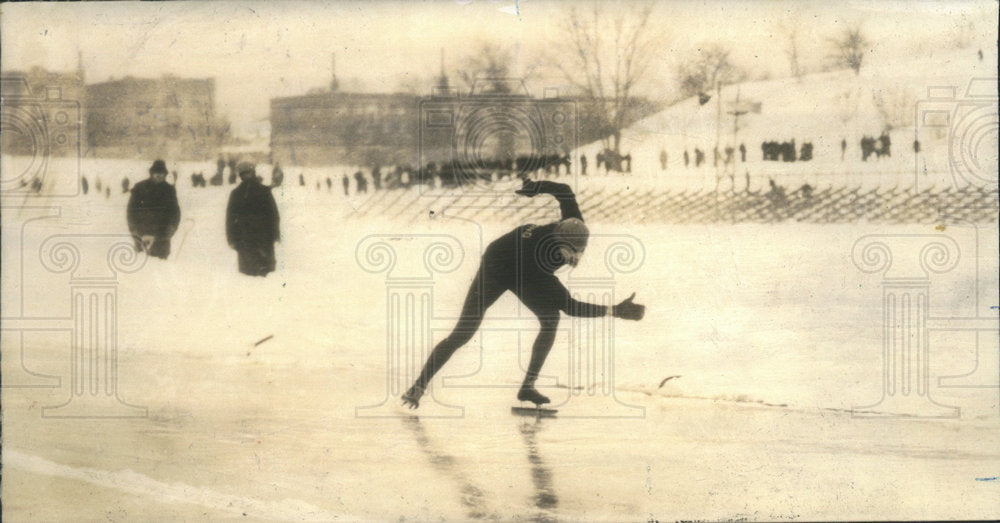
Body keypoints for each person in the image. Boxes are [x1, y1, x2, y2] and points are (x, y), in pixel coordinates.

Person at [402, 179, 645, 409]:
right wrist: (615, 311)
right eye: (569, 253)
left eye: (579, 252)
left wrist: (535, 187)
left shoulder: (574, 224)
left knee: (550, 320)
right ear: (557, 243)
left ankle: (527, 387)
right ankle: (418, 386)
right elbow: (570, 306)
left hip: (520, 257)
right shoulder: (540, 261)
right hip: (498, 266)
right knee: (463, 333)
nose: (574, 258)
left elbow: (564, 190)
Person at [226, 162, 280, 277]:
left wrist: (276, 234)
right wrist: (231, 239)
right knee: (250, 275)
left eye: (248, 173)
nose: (247, 176)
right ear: (241, 176)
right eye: (244, 174)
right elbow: (230, 219)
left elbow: (273, 215)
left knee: (263, 273)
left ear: (253, 173)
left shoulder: (264, 191)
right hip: (247, 237)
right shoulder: (237, 194)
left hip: (261, 236)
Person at [127, 159, 180, 260]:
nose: (159, 175)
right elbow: (131, 212)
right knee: (141, 266)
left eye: (161, 173)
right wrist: (136, 232)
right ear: (151, 173)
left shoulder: (169, 190)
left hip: (161, 238)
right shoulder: (140, 188)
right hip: (142, 236)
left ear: (165, 174)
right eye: (156, 173)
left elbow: (175, 213)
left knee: (160, 269)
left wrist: (169, 232)